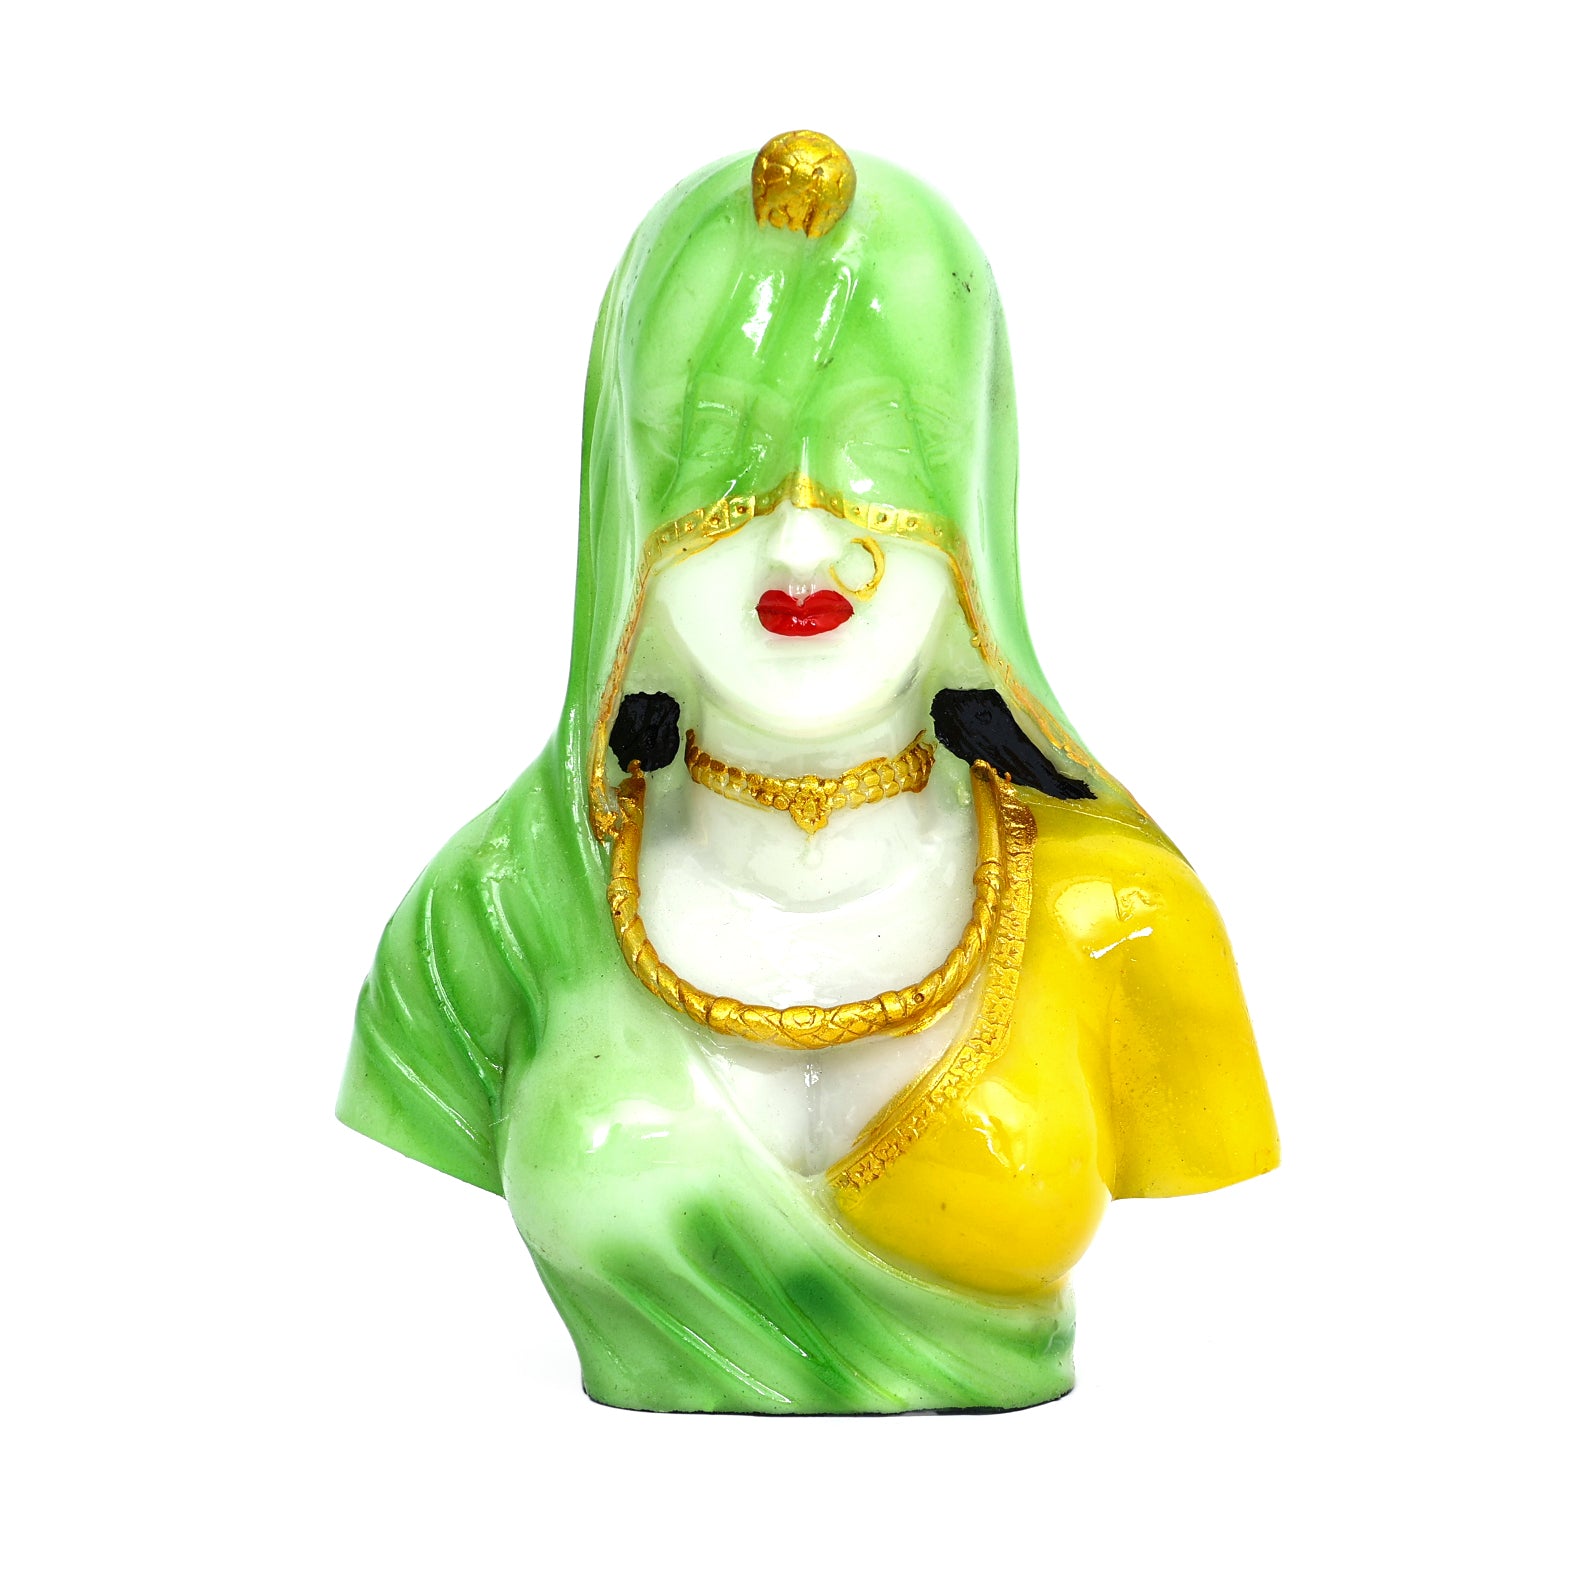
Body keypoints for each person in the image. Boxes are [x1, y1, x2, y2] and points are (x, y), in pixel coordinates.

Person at [338, 131, 1279, 1414]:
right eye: (717, 450)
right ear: (623, 504)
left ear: (975, 502)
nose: (796, 546)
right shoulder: (495, 915)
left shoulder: (1121, 919)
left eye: (881, 451)